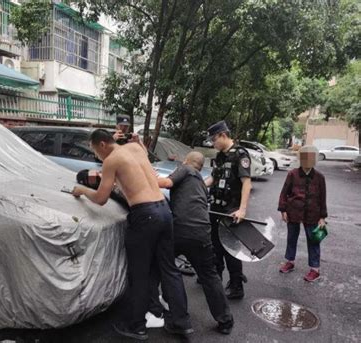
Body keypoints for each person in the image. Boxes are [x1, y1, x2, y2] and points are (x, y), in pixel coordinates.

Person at [72, 129, 193, 340]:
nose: (96, 156)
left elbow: (101, 198)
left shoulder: (111, 160)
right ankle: (181, 322)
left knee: (139, 273)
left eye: (94, 150)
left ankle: (136, 326)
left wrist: (81, 191)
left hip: (144, 215)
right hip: (164, 209)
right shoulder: (136, 148)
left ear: (102, 144)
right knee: (170, 269)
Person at [156, 151, 234, 334]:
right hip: (202, 234)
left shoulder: (185, 169)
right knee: (209, 276)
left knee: (167, 270)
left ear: (187, 160)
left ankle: (175, 315)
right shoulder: (200, 181)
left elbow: (166, 183)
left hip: (180, 231)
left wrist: (143, 177)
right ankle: (225, 321)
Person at [205, 121, 252, 299]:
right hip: (216, 209)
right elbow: (213, 179)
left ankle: (236, 285)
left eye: (214, 139)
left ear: (223, 135)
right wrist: (198, 187)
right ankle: (215, 282)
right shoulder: (220, 156)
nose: (213, 143)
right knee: (215, 247)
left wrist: (242, 209)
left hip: (232, 210)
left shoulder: (240, 154)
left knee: (231, 250)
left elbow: (247, 183)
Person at [278, 145, 327, 282]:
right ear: (300, 158)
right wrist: (283, 210)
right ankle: (290, 261)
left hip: (313, 213)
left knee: (313, 240)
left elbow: (322, 198)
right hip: (293, 211)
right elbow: (284, 193)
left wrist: (322, 217)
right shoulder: (292, 174)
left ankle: (315, 269)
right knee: (291, 238)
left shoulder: (319, 177)